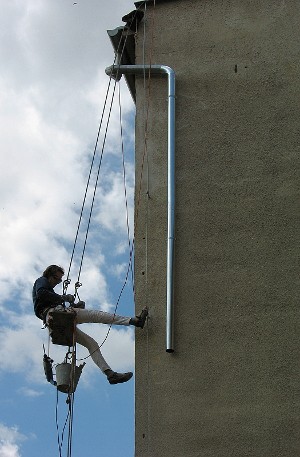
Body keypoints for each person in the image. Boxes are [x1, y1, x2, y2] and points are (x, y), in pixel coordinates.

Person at [32, 265, 148, 385]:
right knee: (96, 315)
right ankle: (134, 321)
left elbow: (46, 298)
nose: (58, 282)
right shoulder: (42, 281)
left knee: (91, 343)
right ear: (50, 275)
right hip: (54, 315)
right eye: (57, 279)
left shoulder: (48, 291)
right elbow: (41, 293)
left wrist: (73, 305)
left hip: (54, 321)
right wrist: (64, 298)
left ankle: (110, 374)